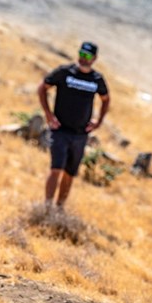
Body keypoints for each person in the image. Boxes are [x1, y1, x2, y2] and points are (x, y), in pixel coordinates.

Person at [37, 41, 110, 207]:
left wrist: (98, 122)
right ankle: (46, 207)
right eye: (81, 54)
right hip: (60, 130)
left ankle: (59, 208)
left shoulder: (97, 79)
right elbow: (42, 88)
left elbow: (106, 99)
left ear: (94, 58)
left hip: (80, 135)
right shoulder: (65, 72)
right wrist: (48, 114)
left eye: (87, 56)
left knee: (70, 173)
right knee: (56, 168)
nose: (83, 58)